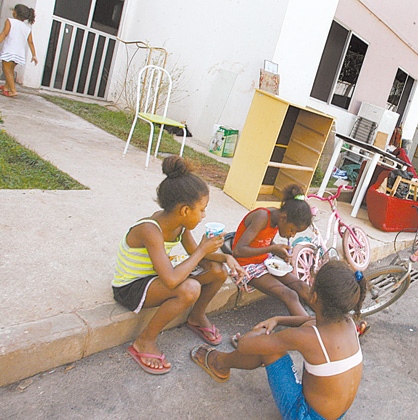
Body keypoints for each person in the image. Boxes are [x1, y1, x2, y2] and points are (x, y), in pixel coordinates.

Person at [112, 155, 245, 375]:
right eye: (201, 209)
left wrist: (226, 258)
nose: (204, 215)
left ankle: (196, 316)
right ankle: (144, 341)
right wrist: (203, 249)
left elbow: (193, 252)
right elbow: (172, 279)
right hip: (131, 288)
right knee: (189, 288)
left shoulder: (179, 225)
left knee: (217, 271)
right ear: (184, 210)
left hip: (156, 278)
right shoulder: (150, 230)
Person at [191, 260, 366, 420]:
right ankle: (256, 348)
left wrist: (255, 334)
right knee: (268, 343)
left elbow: (245, 345)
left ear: (314, 297)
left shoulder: (307, 337)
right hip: (336, 415)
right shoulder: (348, 323)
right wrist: (277, 319)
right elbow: (309, 321)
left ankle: (219, 363)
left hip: (305, 415)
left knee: (268, 348)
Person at [231, 184, 312, 316]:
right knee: (289, 295)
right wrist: (272, 248)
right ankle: (309, 329)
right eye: (292, 230)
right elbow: (238, 251)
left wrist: (279, 252)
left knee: (301, 285)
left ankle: (328, 320)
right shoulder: (262, 217)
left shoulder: (277, 219)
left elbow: (264, 241)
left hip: (264, 261)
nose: (292, 235)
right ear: (283, 218)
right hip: (245, 265)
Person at [0, 4, 38, 97]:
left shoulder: (10, 21)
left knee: (6, 70)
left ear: (15, 13)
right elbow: (31, 42)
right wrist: (34, 55)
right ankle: (6, 88)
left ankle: (13, 90)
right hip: (19, 54)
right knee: (11, 70)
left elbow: (4, 33)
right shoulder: (27, 28)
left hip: (9, 50)